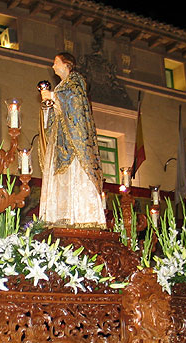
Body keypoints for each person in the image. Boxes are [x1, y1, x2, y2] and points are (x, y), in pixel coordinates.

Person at [38, 52, 106, 229]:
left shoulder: (76, 81)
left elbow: (74, 101)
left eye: (56, 62)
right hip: (60, 139)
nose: (53, 67)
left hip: (74, 141)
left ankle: (81, 217)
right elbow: (55, 118)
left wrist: (53, 97)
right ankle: (62, 216)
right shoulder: (61, 86)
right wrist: (47, 106)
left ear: (66, 64)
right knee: (59, 178)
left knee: (77, 175)